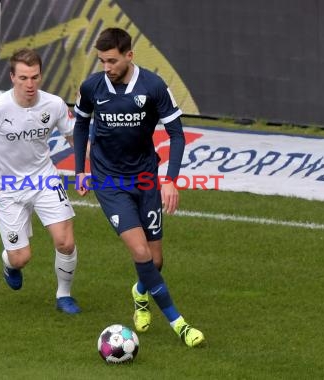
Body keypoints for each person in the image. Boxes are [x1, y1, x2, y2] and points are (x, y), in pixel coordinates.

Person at [73, 28, 204, 345]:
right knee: (141, 251)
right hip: (109, 181)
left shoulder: (154, 86)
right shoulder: (92, 87)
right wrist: (80, 170)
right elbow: (80, 124)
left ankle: (140, 293)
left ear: (130, 55)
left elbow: (176, 135)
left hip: (145, 178)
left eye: (113, 61)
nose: (107, 67)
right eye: (102, 61)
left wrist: (170, 180)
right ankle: (180, 324)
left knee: (155, 262)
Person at [0, 48, 80, 314]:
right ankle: (9, 262)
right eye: (24, 78)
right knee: (21, 257)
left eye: (35, 77)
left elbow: (74, 137)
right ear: (12, 77)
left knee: (65, 241)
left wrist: (85, 169)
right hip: (6, 188)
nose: (30, 84)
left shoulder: (54, 104)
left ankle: (64, 296)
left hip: (44, 180)